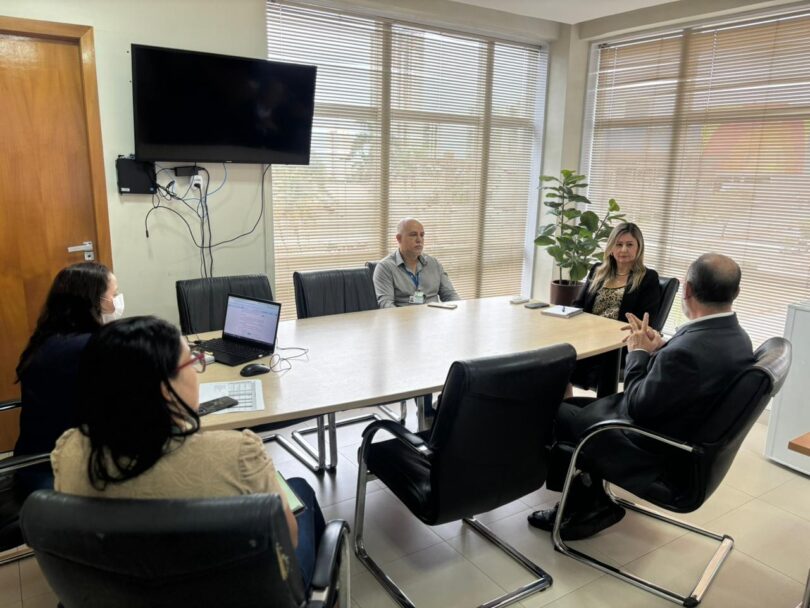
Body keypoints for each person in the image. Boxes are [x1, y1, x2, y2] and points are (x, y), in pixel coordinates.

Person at [50, 316, 325, 589]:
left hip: (118, 593)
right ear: (165, 390)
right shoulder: (238, 454)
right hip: (235, 595)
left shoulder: (69, 451)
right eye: (193, 363)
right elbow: (289, 539)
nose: (198, 370)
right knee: (302, 490)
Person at [529, 253, 754, 540]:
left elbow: (637, 406)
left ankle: (582, 507)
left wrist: (637, 353)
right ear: (735, 292)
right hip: (683, 437)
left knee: (553, 412)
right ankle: (588, 494)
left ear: (687, 290)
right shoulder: (737, 337)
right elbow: (687, 376)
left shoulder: (690, 350)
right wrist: (661, 348)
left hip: (651, 446)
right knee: (573, 407)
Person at [13, 262, 123, 490]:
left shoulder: (51, 337)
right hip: (58, 467)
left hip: (37, 458)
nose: (117, 303)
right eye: (113, 295)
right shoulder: (87, 348)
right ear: (92, 302)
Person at [569, 222, 661, 394]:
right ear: (611, 247)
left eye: (629, 244)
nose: (623, 250)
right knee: (559, 356)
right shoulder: (597, 270)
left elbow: (645, 321)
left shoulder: (647, 278)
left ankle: (600, 412)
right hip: (588, 337)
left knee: (578, 361)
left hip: (619, 346)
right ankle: (564, 407)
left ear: (639, 248)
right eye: (618, 244)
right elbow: (578, 305)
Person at [373, 217, 460, 309]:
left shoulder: (434, 264)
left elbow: (450, 295)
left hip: (434, 319)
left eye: (422, 235)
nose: (419, 240)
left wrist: (460, 311)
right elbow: (386, 304)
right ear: (399, 239)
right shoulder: (385, 267)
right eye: (413, 235)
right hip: (405, 320)